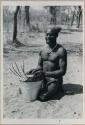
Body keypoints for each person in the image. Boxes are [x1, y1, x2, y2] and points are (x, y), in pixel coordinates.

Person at [26, 26, 67, 101]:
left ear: (56, 36)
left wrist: (45, 74)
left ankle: (57, 88)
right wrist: (35, 70)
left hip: (54, 79)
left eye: (51, 35)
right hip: (42, 77)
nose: (48, 37)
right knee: (27, 89)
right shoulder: (43, 49)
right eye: (47, 34)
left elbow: (62, 71)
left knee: (42, 97)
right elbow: (39, 65)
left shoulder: (61, 51)